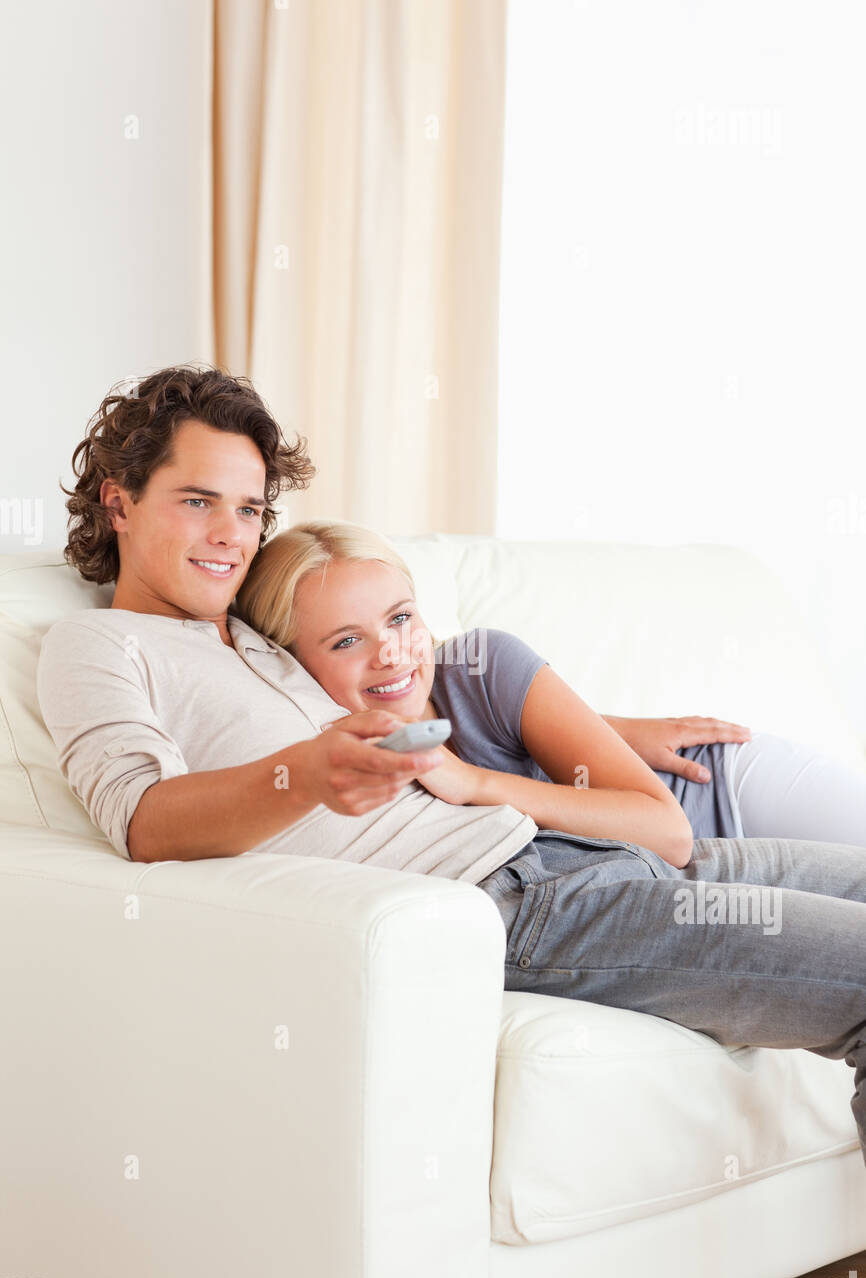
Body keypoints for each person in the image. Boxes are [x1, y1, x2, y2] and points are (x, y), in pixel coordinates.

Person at [36, 363, 866, 1173]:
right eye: (197, 501)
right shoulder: (96, 645)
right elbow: (146, 823)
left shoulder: (255, 629)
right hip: (523, 908)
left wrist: (601, 727)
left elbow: (424, 684)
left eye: (249, 509)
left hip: (571, 851)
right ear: (119, 500)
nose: (231, 534)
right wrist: (304, 773)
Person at [234, 519, 866, 852]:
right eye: (347, 641)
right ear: (290, 664)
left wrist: (476, 784)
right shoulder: (326, 755)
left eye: (401, 617)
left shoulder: (484, 663)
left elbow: (667, 830)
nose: (391, 652)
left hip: (716, 788)